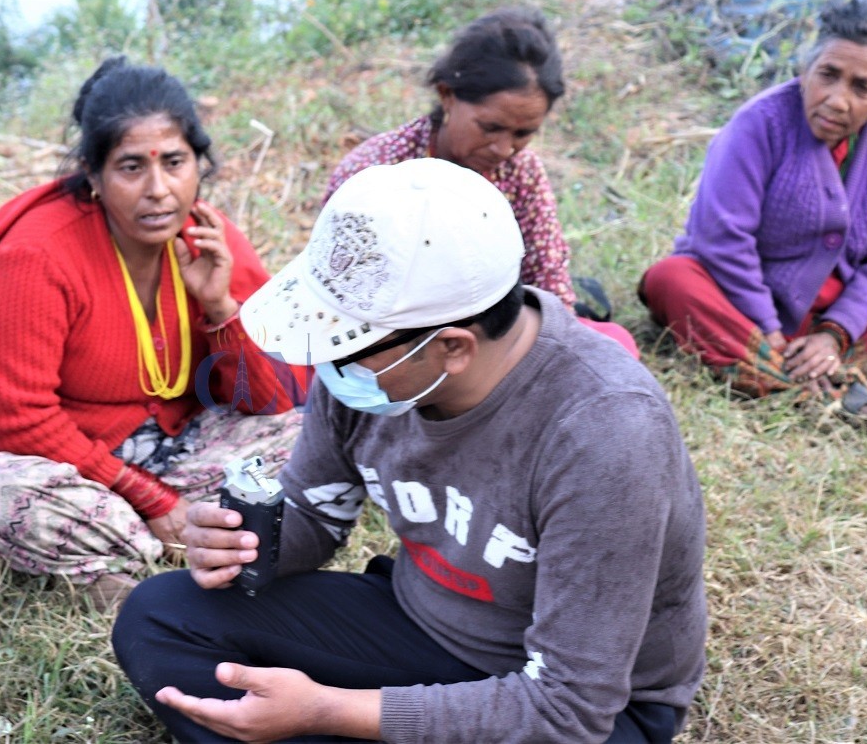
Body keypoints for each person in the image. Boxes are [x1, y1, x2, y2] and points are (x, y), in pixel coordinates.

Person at [113, 158, 706, 743]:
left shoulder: (607, 431)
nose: (330, 363)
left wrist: (329, 712)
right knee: (161, 618)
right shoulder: (376, 372)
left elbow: (568, 709)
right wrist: (245, 545)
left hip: (578, 707)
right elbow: (315, 516)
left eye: (349, 346)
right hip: (422, 626)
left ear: (452, 348)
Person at [0, 57, 302, 611]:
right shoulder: (36, 254)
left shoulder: (207, 238)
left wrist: (219, 307)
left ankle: (142, 549)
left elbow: (268, 401)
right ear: (93, 175)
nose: (159, 190)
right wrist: (150, 498)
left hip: (166, 445)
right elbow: (17, 420)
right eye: (131, 167)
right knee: (7, 502)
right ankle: (158, 559)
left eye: (175, 163)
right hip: (42, 459)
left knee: (308, 430)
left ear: (199, 164)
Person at [639, 0, 867, 423]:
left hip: (824, 319)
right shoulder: (759, 122)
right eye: (828, 75)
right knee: (670, 280)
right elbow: (722, 238)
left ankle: (780, 375)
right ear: (805, 71)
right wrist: (768, 327)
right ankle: (818, 388)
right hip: (739, 304)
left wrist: (835, 334)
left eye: (863, 88)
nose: (838, 100)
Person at [326, 6, 640, 359]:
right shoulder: (374, 173)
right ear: (447, 95)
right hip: (398, 347)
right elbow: (346, 295)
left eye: (523, 133)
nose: (505, 149)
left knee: (613, 348)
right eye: (490, 128)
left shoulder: (521, 173)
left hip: (497, 337)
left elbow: (548, 282)